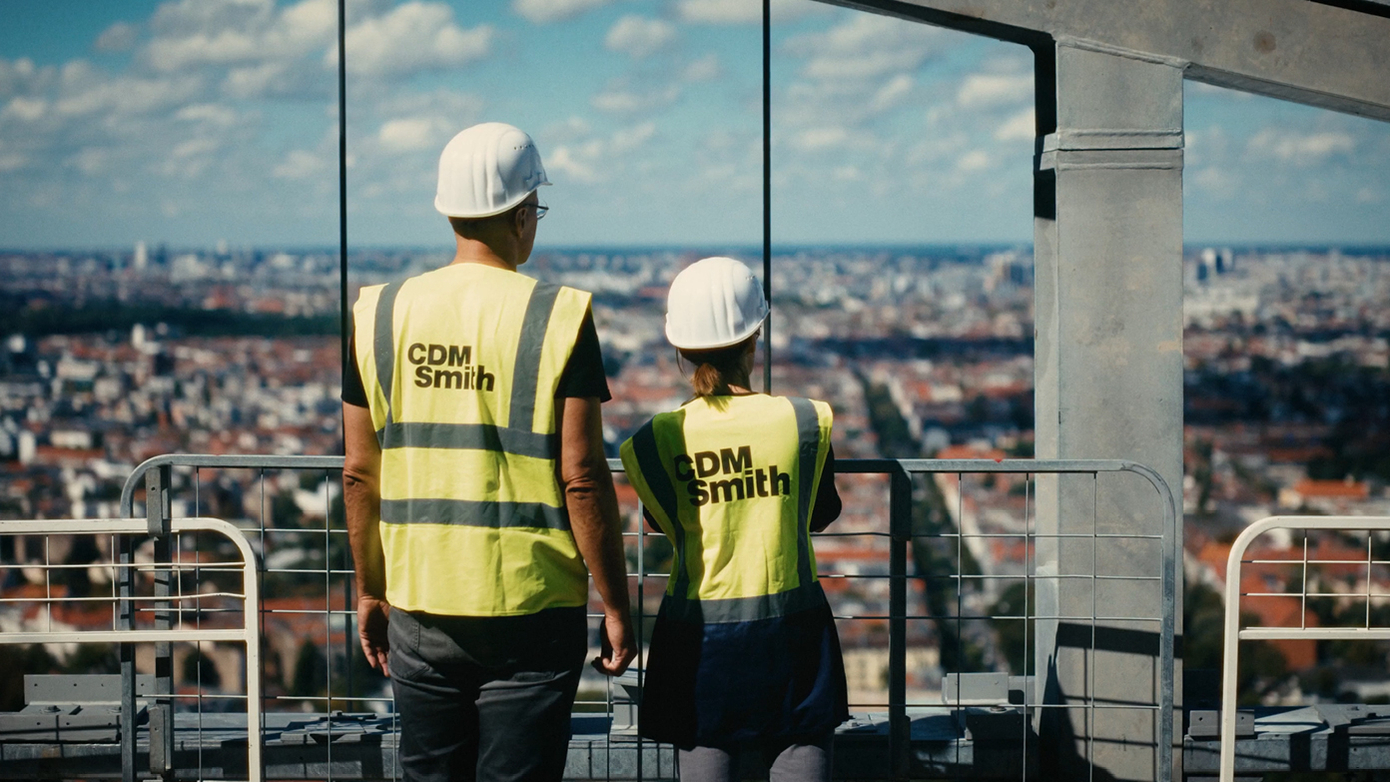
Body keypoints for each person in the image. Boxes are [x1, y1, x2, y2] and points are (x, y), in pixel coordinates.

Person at [342, 122, 636, 782]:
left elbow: (360, 472)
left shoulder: (378, 312)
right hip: (532, 608)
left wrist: (370, 589)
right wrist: (616, 604)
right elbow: (582, 477)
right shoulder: (558, 314)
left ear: (449, 209)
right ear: (524, 213)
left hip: (419, 600)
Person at [619, 257, 848, 782]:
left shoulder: (654, 441)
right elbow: (822, 512)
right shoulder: (804, 420)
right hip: (793, 635)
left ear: (680, 349)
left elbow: (662, 524)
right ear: (755, 338)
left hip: (697, 641)